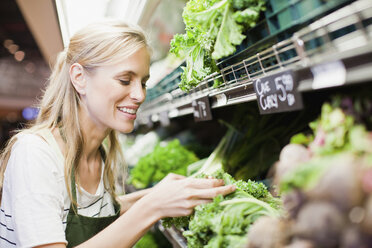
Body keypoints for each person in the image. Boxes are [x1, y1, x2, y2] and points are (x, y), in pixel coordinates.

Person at [0, 21, 235, 248]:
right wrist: (153, 206)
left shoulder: (99, 153)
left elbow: (92, 212)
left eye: (143, 83)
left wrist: (161, 195)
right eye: (125, 80)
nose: (139, 95)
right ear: (80, 78)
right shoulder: (36, 154)